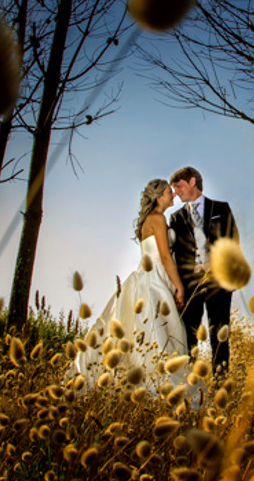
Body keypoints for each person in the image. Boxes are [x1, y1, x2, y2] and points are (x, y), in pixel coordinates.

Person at [70, 179, 188, 388]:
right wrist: (179, 285)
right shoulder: (157, 218)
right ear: (160, 196)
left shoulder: (153, 219)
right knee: (159, 330)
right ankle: (156, 382)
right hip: (155, 279)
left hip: (153, 275)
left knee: (152, 329)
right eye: (170, 192)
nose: (173, 195)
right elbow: (164, 256)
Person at [169, 166, 239, 373]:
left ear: (192, 182)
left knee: (220, 336)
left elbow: (233, 242)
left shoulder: (221, 209)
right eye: (173, 189)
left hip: (219, 283)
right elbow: (174, 254)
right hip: (190, 286)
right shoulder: (175, 218)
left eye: (179, 186)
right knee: (188, 336)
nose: (176, 192)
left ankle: (220, 385)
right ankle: (189, 387)